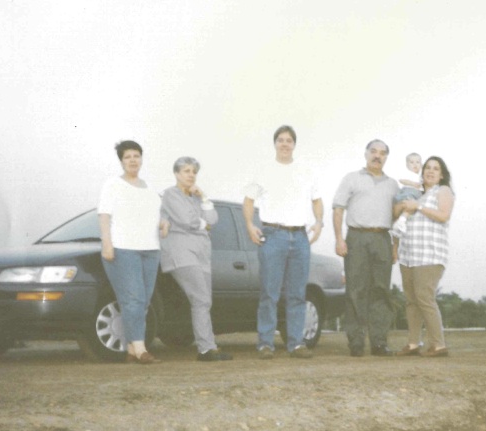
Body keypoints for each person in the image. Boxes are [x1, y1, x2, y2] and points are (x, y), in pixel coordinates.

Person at [243, 125, 323, 360]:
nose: (285, 144)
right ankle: (265, 343)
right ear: (275, 144)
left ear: (294, 144)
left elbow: (317, 201)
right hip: (273, 236)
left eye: (289, 140)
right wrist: (249, 224)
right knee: (270, 293)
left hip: (300, 238)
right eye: (280, 140)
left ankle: (296, 343)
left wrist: (319, 222)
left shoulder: (306, 171)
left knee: (298, 294)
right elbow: (248, 201)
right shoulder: (263, 170)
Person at [98, 140, 166, 364]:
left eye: (136, 155)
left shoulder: (150, 188)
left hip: (151, 249)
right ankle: (141, 348)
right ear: (121, 161)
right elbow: (104, 216)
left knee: (143, 301)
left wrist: (164, 222)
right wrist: (107, 244)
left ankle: (130, 349)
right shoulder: (112, 185)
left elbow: (159, 214)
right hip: (124, 249)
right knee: (133, 299)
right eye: (128, 156)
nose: (133, 160)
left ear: (141, 159)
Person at [160, 157, 232, 362]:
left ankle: (208, 347)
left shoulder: (195, 198)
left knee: (203, 301)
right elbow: (187, 220)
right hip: (181, 252)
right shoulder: (170, 194)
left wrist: (204, 198)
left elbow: (213, 220)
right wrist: (203, 225)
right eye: (186, 171)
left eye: (193, 171)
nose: (191, 175)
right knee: (201, 299)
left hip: (202, 254)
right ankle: (206, 349)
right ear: (176, 174)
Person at [332, 139, 400, 357]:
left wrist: (395, 246)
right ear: (366, 154)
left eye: (382, 153)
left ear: (386, 157)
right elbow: (338, 209)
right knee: (356, 290)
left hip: (382, 239)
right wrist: (339, 239)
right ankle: (356, 342)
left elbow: (398, 218)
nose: (377, 156)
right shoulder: (351, 178)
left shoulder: (393, 185)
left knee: (381, 290)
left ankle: (379, 342)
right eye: (373, 151)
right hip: (357, 238)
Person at [394, 156, 455, 357]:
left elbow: (444, 215)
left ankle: (438, 345)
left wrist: (418, 207)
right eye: (427, 167)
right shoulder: (415, 193)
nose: (430, 171)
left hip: (430, 254)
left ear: (442, 174)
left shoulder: (443, 191)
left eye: (435, 168)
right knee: (411, 300)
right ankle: (413, 344)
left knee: (424, 298)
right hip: (408, 254)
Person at [391, 152, 423, 238]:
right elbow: (402, 180)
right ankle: (400, 222)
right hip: (409, 192)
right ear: (407, 165)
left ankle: (400, 223)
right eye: (411, 162)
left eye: (417, 162)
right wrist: (412, 183)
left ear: (421, 164)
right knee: (408, 206)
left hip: (416, 194)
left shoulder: (421, 176)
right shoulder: (408, 173)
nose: (415, 164)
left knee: (410, 208)